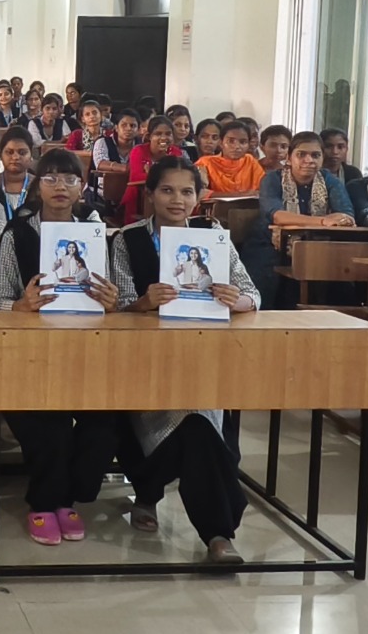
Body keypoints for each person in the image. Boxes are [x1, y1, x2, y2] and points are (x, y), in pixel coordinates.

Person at [108, 155, 260, 564]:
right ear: (150, 194)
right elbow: (118, 305)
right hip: (146, 364)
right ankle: (214, 531)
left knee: (199, 425)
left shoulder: (213, 236)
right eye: (167, 190)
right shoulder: (127, 239)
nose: (177, 200)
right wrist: (144, 302)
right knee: (188, 428)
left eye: (187, 191)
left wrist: (237, 300)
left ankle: (215, 533)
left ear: (198, 197)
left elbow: (252, 293)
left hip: (202, 359)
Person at [0, 146, 126, 546]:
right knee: (50, 422)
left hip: (85, 350)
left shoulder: (94, 234)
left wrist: (112, 301)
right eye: (50, 178)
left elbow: (114, 299)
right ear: (37, 185)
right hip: (29, 351)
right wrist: (20, 305)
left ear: (82, 187)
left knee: (105, 424)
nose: (60, 187)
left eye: (69, 179)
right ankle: (48, 502)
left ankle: (71, 493)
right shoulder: (17, 233)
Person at [261, 131, 360, 231]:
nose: (309, 160)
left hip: (319, 239)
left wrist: (340, 219)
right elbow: (277, 216)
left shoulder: (329, 179)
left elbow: (346, 215)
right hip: (271, 238)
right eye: (301, 154)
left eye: (315, 155)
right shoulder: (273, 179)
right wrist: (323, 221)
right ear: (289, 158)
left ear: (322, 158)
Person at [120, 115, 187, 225]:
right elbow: (135, 177)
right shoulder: (138, 151)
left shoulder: (176, 153)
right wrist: (165, 176)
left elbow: (180, 178)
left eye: (168, 134)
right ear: (149, 136)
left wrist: (151, 172)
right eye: (158, 134)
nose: (164, 138)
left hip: (168, 196)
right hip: (138, 201)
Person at [195, 118, 267, 200]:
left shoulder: (250, 161)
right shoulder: (205, 163)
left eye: (243, 142)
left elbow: (264, 189)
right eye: (231, 141)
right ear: (221, 143)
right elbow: (199, 192)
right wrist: (241, 195)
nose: (237, 146)